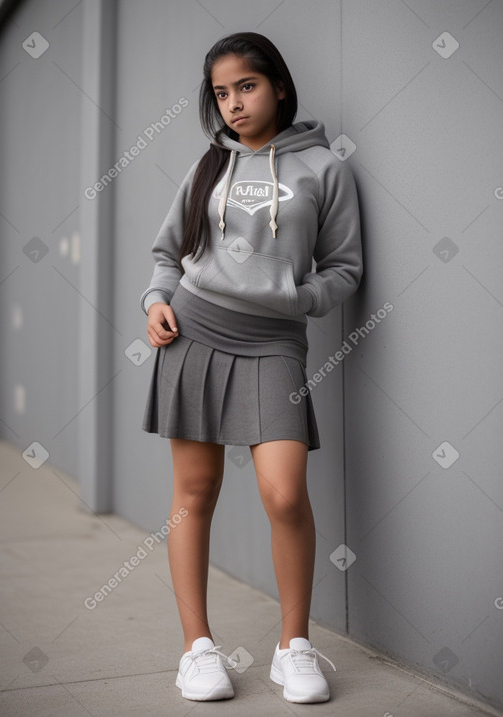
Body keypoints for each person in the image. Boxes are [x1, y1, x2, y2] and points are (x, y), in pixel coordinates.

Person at [140, 31, 363, 704]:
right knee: (194, 495)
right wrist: (155, 301)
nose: (233, 104)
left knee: (285, 491)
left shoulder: (325, 168)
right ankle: (197, 649)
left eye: (246, 86)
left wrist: (297, 297)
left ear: (279, 87)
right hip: (195, 330)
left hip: (274, 343)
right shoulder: (210, 165)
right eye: (220, 93)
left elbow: (346, 270)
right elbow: (167, 253)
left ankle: (293, 645)